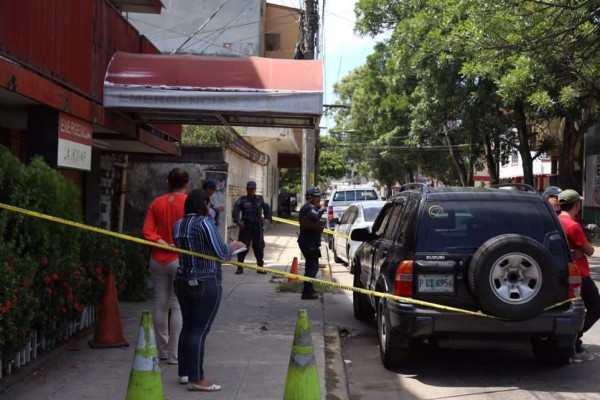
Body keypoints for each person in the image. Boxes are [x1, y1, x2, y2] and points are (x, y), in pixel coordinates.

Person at [172, 189, 246, 391]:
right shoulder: (205, 223)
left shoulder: (178, 225)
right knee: (199, 330)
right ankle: (197, 378)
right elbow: (222, 254)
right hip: (205, 280)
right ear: (204, 204)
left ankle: (185, 373)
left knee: (188, 327)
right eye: (208, 204)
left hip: (182, 279)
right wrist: (234, 246)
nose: (210, 207)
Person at [142, 167, 189, 365]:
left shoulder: (157, 203)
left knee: (160, 306)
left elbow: (147, 231)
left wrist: (161, 242)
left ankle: (161, 351)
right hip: (179, 259)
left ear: (168, 183)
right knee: (176, 306)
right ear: (186, 184)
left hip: (157, 259)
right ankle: (174, 354)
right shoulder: (188, 202)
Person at [557, 189, 600, 362]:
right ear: (577, 204)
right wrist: (582, 251)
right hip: (580, 274)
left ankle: (572, 342)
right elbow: (589, 251)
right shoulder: (573, 225)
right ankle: (575, 341)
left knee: (572, 310)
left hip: (563, 272)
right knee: (596, 309)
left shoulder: (557, 220)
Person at [232, 181, 272, 274]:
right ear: (247, 189)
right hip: (246, 227)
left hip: (257, 227)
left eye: (253, 189)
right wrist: (238, 222)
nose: (252, 190)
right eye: (250, 189)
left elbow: (267, 209)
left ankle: (260, 267)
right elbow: (235, 211)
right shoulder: (242, 200)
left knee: (259, 246)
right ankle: (240, 267)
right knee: (242, 246)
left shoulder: (260, 199)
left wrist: (266, 219)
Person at [297, 187, 326, 300]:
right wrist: (322, 209)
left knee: (312, 267)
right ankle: (307, 292)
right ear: (309, 197)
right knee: (312, 268)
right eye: (316, 196)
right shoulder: (309, 208)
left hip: (309, 242)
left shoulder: (309, 207)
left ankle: (309, 290)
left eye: (319, 196)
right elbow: (314, 218)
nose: (319, 198)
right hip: (309, 243)